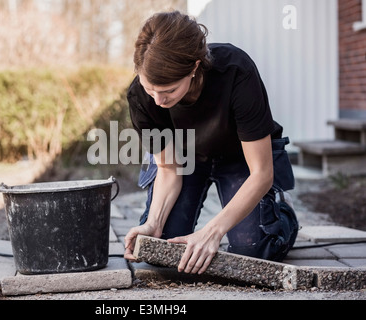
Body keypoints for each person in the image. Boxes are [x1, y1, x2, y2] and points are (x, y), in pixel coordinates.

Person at [124, 11, 299, 275]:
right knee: (161, 250)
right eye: (151, 89)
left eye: (169, 90)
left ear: (194, 67)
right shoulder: (140, 97)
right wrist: (153, 223)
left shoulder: (236, 72)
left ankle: (283, 217)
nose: (158, 100)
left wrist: (212, 232)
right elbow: (169, 169)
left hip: (241, 157)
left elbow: (261, 173)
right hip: (186, 160)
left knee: (254, 250)